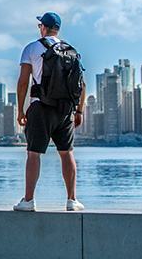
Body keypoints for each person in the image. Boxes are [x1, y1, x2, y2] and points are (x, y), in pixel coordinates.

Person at [13, 12, 86, 212]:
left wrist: (20, 110)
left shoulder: (32, 48)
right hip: (65, 110)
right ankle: (72, 200)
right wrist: (79, 111)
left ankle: (28, 200)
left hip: (41, 107)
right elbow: (82, 84)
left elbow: (23, 82)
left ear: (42, 27)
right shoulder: (71, 50)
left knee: (34, 153)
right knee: (67, 152)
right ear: (58, 29)